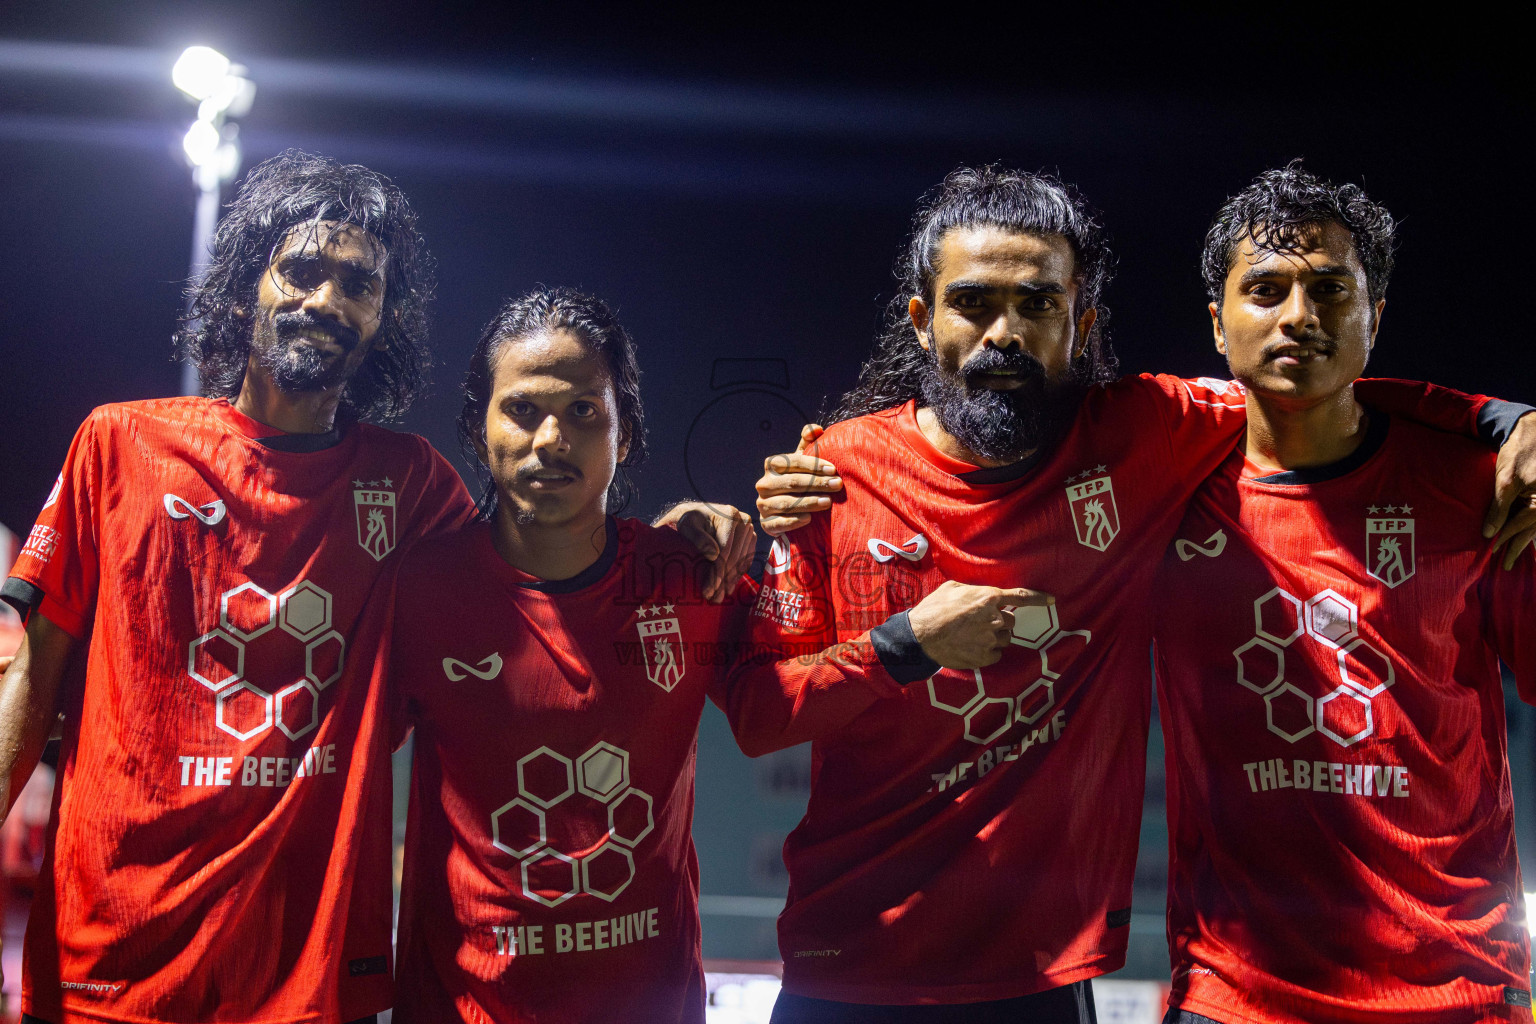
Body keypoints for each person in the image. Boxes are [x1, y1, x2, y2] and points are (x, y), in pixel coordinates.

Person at [741, 165, 1536, 1023]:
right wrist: (900, 641)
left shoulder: (1152, 438)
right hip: (866, 972)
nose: (1004, 334)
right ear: (921, 319)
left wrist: (1505, 417)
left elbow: (1308, 387)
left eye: (1039, 305)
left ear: (1081, 325)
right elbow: (757, 709)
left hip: (1063, 981)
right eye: (974, 303)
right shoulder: (832, 473)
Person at [0, 153, 747, 1024]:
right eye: (302, 270)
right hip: (113, 952)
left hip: (307, 977)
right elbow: (29, 678)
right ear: (248, 285)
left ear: (380, 319)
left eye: (357, 283)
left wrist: (678, 528)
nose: (324, 299)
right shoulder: (119, 446)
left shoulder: (412, 486)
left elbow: (536, 552)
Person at [388, 288, 847, 1023]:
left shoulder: (689, 577)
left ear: (624, 433)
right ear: (479, 431)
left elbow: (783, 707)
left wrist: (837, 559)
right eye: (522, 410)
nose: (551, 439)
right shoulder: (417, 589)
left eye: (583, 412)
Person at [1153, 165, 1536, 1024]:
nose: (1300, 316)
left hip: (1456, 988)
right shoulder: (1162, 487)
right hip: (1235, 996)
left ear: (1375, 319)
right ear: (1218, 325)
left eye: (1331, 288)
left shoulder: (1483, 488)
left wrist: (1511, 423)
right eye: (1266, 289)